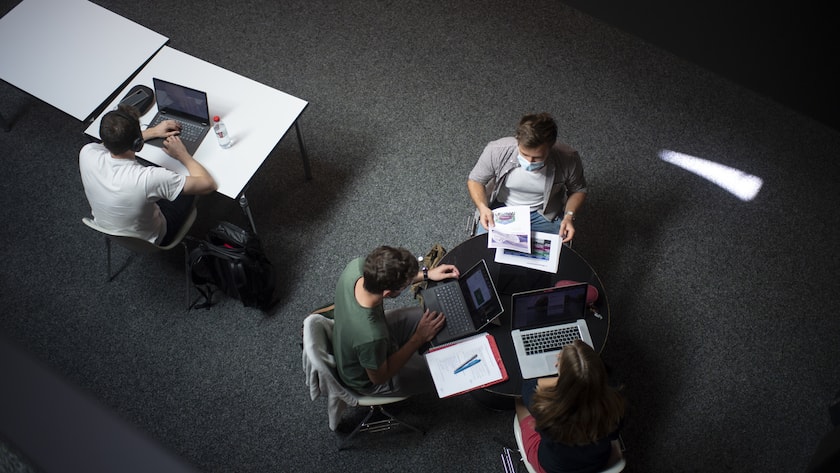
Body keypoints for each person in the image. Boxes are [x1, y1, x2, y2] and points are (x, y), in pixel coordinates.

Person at [79, 104, 217, 245]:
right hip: (156, 237)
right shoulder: (148, 178)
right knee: (184, 181)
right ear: (138, 144)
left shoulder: (87, 152)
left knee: (159, 185)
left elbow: (113, 142)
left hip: (112, 229)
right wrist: (182, 155)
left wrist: (152, 132)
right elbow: (208, 184)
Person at [333, 246, 460, 396]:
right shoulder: (371, 336)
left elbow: (393, 275)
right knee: (446, 369)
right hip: (370, 378)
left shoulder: (357, 267)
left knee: (434, 314)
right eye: (405, 286)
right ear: (387, 293)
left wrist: (427, 274)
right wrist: (418, 338)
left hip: (371, 341)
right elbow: (379, 377)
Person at [467, 113, 587, 243]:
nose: (530, 162)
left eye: (538, 157)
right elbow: (475, 180)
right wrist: (483, 207)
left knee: (557, 255)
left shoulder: (568, 158)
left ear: (550, 147)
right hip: (502, 209)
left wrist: (569, 216)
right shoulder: (496, 150)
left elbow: (578, 190)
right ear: (518, 141)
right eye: (524, 154)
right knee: (481, 248)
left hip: (544, 214)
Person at [515, 340, 626, 473]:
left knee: (519, 402)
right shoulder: (616, 404)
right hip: (597, 462)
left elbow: (528, 386)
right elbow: (614, 436)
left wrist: (566, 378)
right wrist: (575, 378)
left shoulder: (547, 411)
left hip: (554, 468)